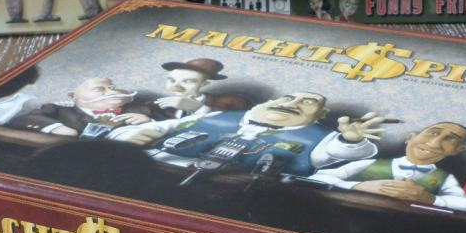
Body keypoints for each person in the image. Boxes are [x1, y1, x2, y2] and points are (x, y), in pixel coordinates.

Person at [110, 91, 386, 177]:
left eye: (307, 102)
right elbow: (153, 129)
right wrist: (132, 137)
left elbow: (339, 150)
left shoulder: (320, 137)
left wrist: (352, 139)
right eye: (288, 98)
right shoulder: (214, 116)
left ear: (320, 115)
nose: (291, 104)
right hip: (155, 170)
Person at [308, 122, 466, 212]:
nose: (434, 143)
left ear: (457, 150)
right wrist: (358, 186)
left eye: (451, 139)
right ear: (410, 138)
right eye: (433, 133)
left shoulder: (445, 178)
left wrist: (430, 199)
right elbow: (317, 178)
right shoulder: (371, 163)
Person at [6, 77, 152, 137]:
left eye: (112, 88)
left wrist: (148, 121)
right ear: (73, 96)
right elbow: (25, 119)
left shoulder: (139, 109)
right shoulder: (58, 110)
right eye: (99, 89)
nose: (111, 92)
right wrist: (55, 127)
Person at [152, 58, 249, 119]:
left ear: (204, 84)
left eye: (187, 81)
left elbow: (243, 122)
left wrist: (201, 108)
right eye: (172, 80)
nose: (176, 86)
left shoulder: (231, 101)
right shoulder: (162, 104)